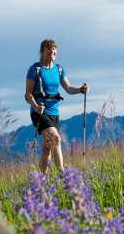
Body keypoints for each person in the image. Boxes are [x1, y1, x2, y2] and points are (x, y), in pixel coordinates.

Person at [25, 39, 89, 173]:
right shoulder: (35, 69)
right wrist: (36, 107)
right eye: (48, 48)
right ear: (42, 51)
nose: (52, 51)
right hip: (39, 112)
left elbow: (68, 88)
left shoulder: (59, 69)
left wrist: (81, 90)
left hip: (54, 112)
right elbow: (28, 94)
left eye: (54, 49)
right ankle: (62, 177)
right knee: (56, 138)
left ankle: (40, 181)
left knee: (47, 149)